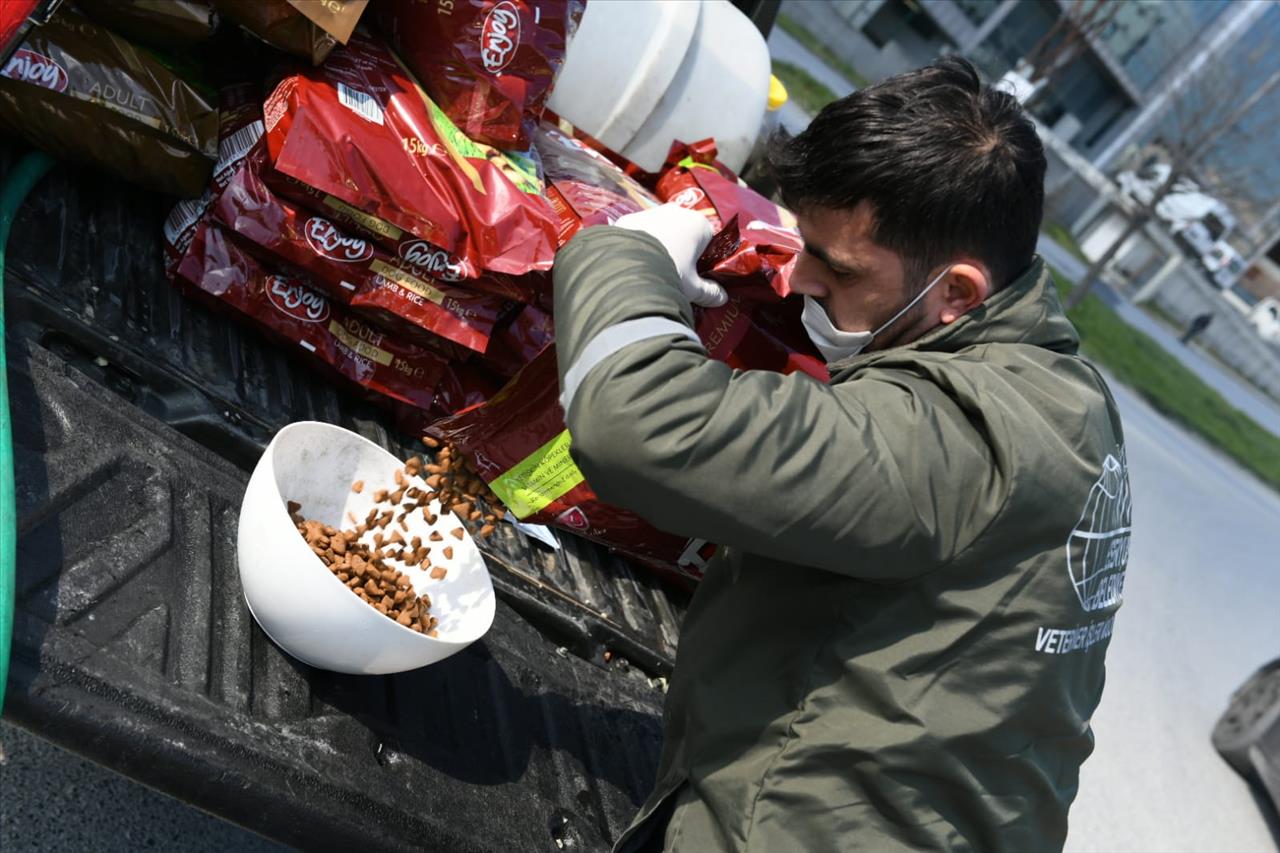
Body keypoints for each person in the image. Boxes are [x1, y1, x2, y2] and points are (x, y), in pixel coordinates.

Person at [551, 57, 1131, 853]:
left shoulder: (959, 435)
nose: (797, 279)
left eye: (838, 268)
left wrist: (624, 257)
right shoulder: (1069, 397)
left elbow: (634, 422)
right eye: (805, 245)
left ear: (957, 293)